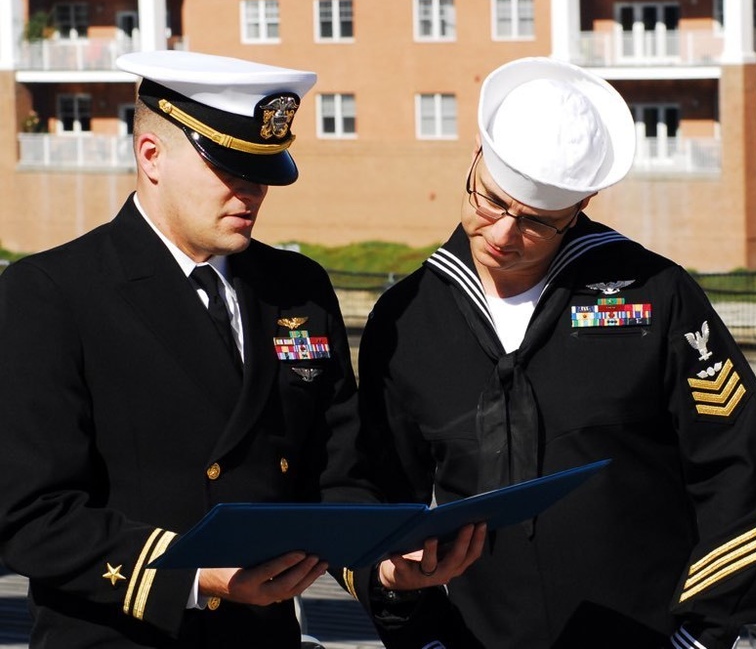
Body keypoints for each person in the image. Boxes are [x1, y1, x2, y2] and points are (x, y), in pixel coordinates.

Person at [0, 50, 482, 648]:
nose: (251, 193)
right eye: (230, 170)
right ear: (151, 157)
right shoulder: (51, 293)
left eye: (261, 172)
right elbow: (32, 513)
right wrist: (198, 575)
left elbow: (334, 475)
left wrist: (381, 562)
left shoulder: (296, 289)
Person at [357, 56, 756, 649]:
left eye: (537, 222)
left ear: (579, 208)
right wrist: (419, 635)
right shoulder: (407, 320)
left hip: (650, 635)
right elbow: (382, 502)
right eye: (490, 202)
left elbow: (743, 469)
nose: (504, 234)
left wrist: (701, 635)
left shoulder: (655, 295)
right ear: (474, 161)